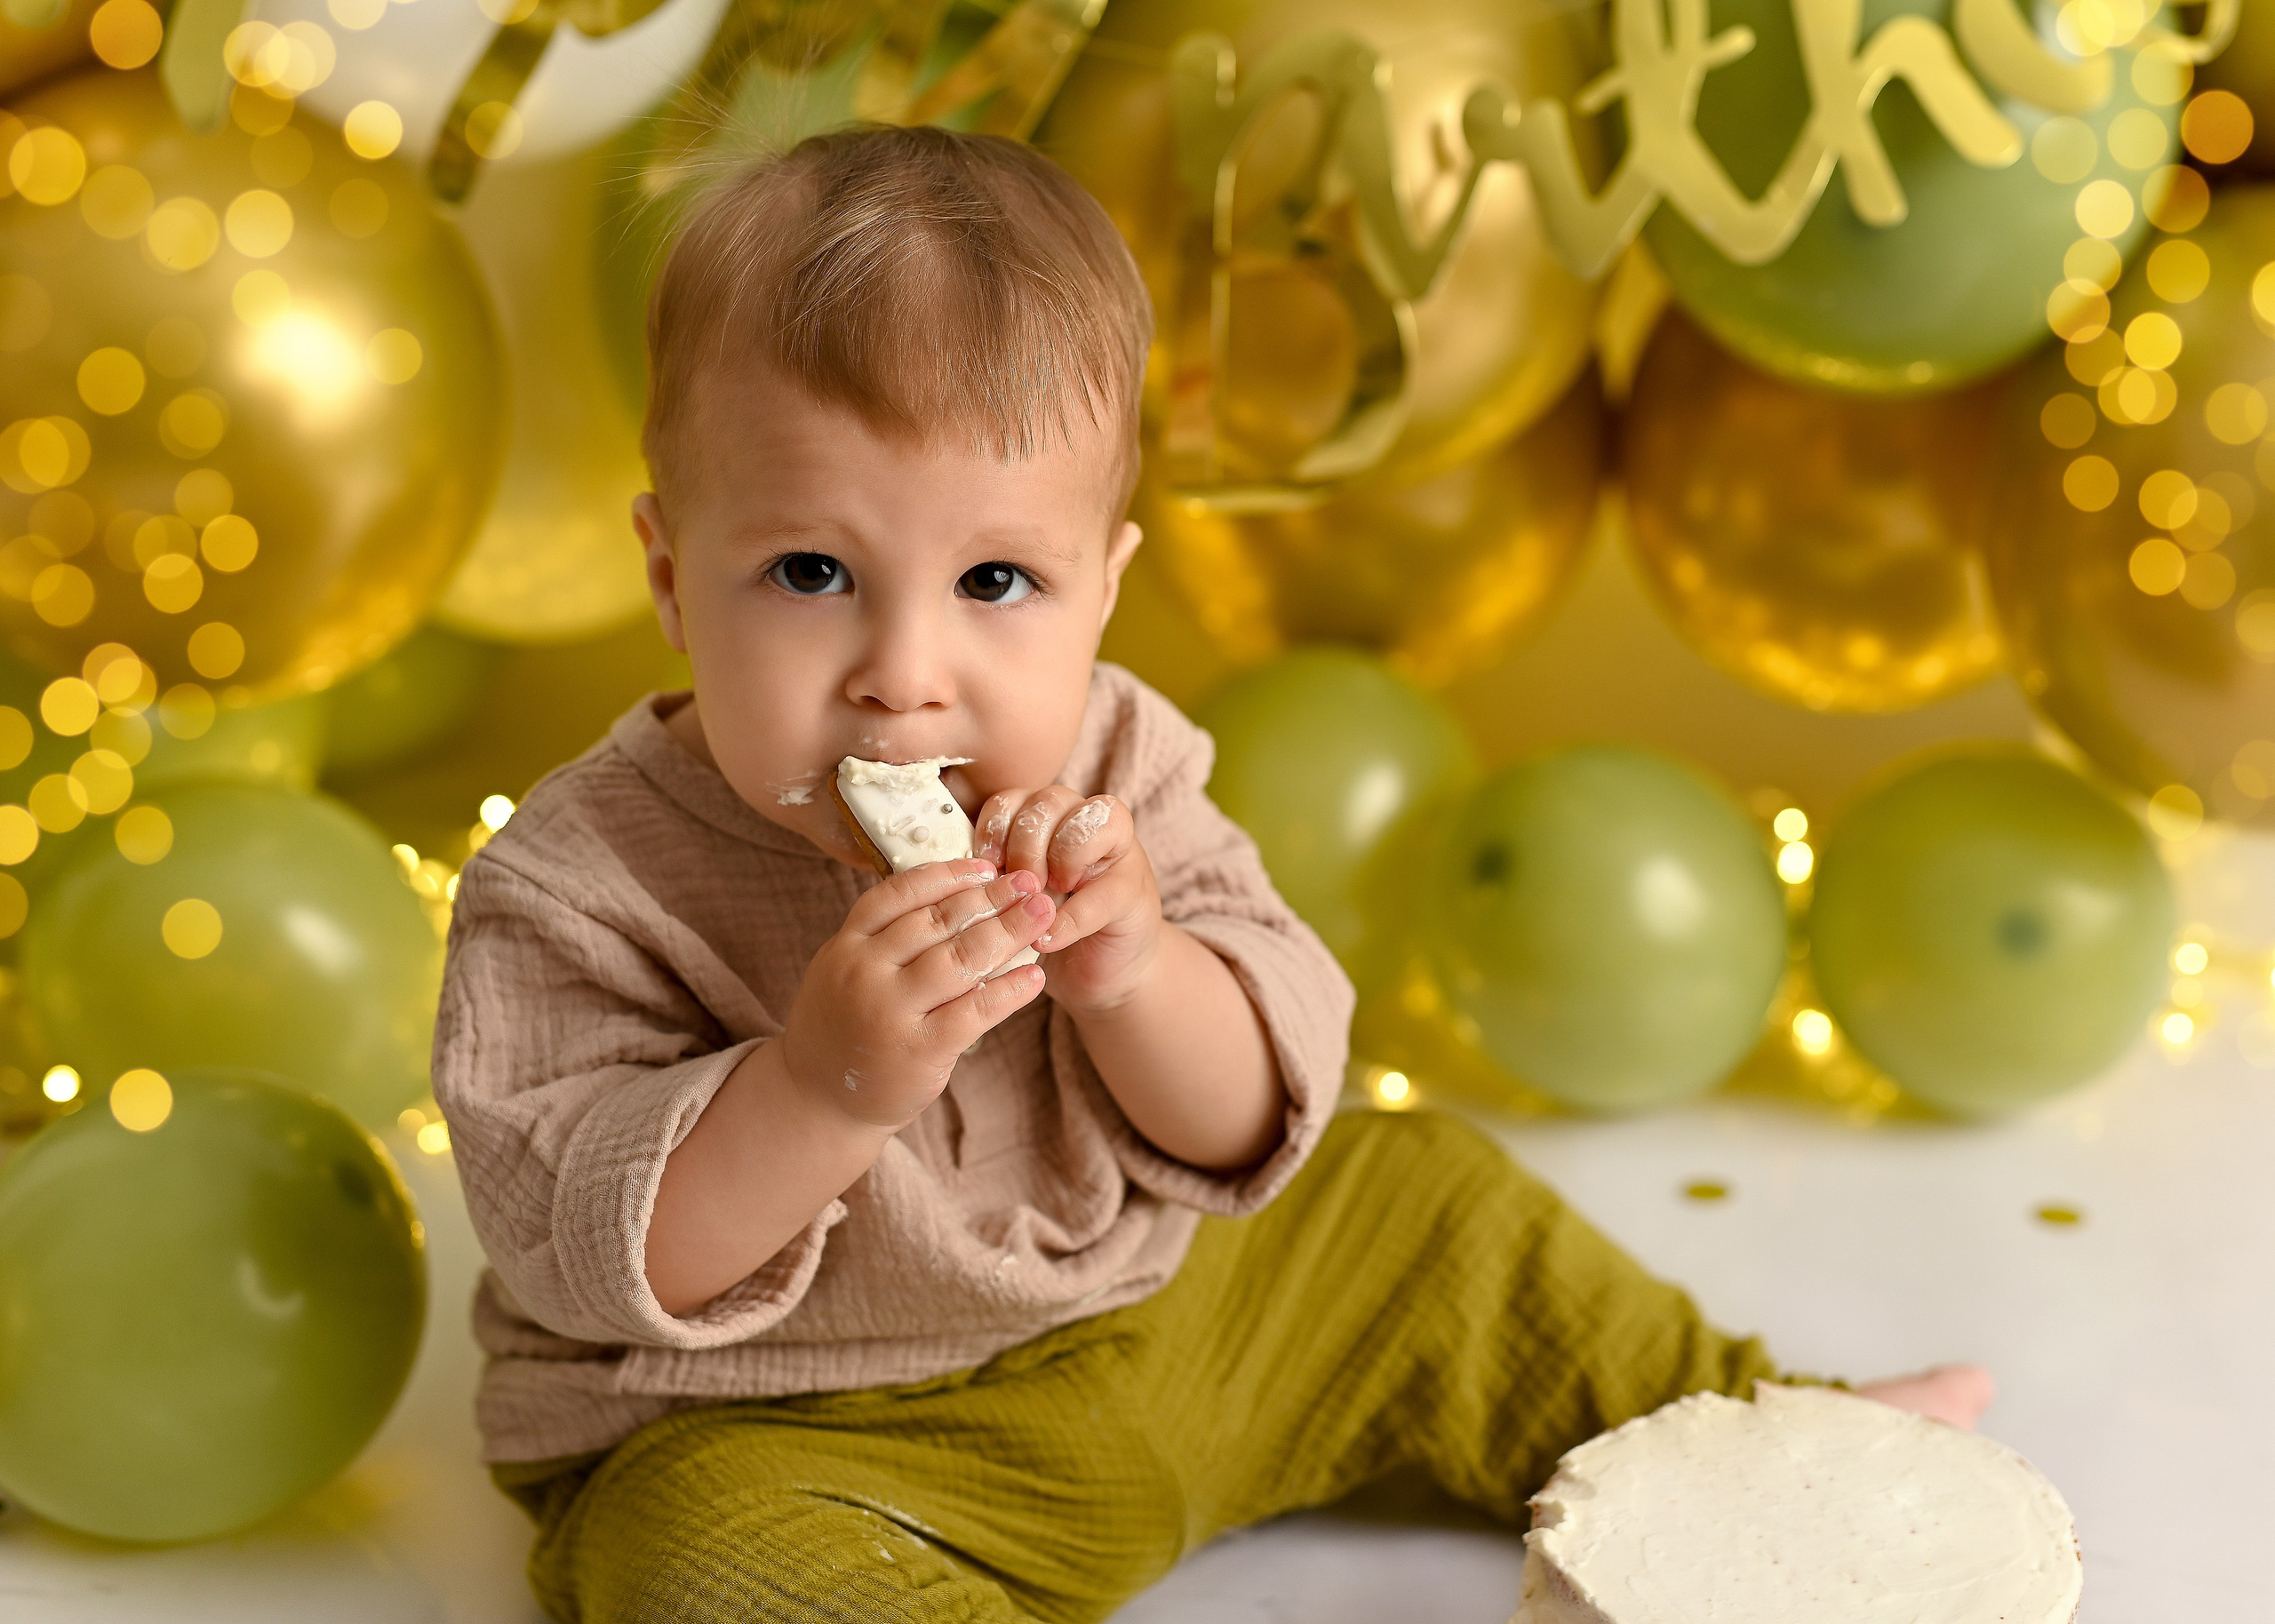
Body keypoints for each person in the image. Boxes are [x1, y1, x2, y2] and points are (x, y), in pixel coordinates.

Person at [433, 124, 1991, 1623]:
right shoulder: (582, 882)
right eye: (811, 575)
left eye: (996, 582)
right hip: (804, 1438)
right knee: (694, 1563)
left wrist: (1140, 974)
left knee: (1422, 1201)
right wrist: (819, 1092)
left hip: (1174, 1331)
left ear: (1101, 591)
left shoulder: (1117, 766)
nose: (905, 676)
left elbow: (1259, 1110)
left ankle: (1759, 1442)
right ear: (668, 574)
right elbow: (575, 1243)